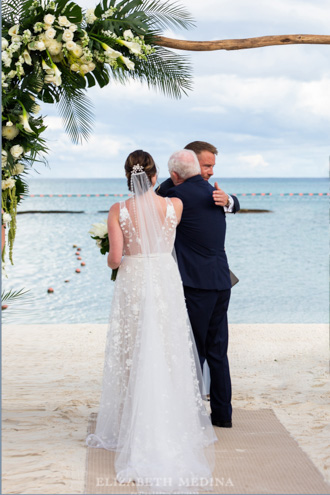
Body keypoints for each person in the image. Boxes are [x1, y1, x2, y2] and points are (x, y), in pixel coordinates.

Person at [86, 150, 216, 493]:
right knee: (167, 346)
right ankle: (170, 422)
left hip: (133, 281)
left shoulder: (118, 210)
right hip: (164, 278)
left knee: (134, 349)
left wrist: (113, 249)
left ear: (127, 177)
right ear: (155, 177)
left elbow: (115, 260)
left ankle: (133, 424)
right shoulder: (175, 207)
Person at [158, 148, 240, 429]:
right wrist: (229, 199)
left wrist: (230, 199)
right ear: (197, 166)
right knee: (218, 351)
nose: (211, 171)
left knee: (193, 351)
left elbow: (155, 196)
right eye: (206, 165)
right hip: (221, 282)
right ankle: (222, 416)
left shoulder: (175, 196)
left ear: (175, 174)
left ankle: (191, 417)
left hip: (197, 285)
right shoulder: (210, 193)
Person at [156, 140, 240, 213]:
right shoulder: (165, 191)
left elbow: (236, 204)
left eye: (212, 166)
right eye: (206, 166)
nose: (212, 173)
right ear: (190, 162)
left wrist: (226, 201)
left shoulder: (204, 186)